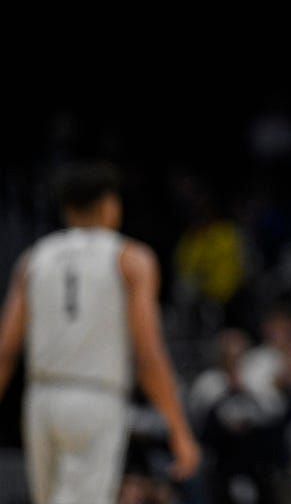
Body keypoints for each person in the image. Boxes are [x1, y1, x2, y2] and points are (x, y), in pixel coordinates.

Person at [0, 161, 201, 504]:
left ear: (67, 210)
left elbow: (5, 350)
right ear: (110, 205)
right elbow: (147, 352)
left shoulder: (33, 259)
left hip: (40, 398)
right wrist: (179, 429)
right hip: (96, 398)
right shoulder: (131, 258)